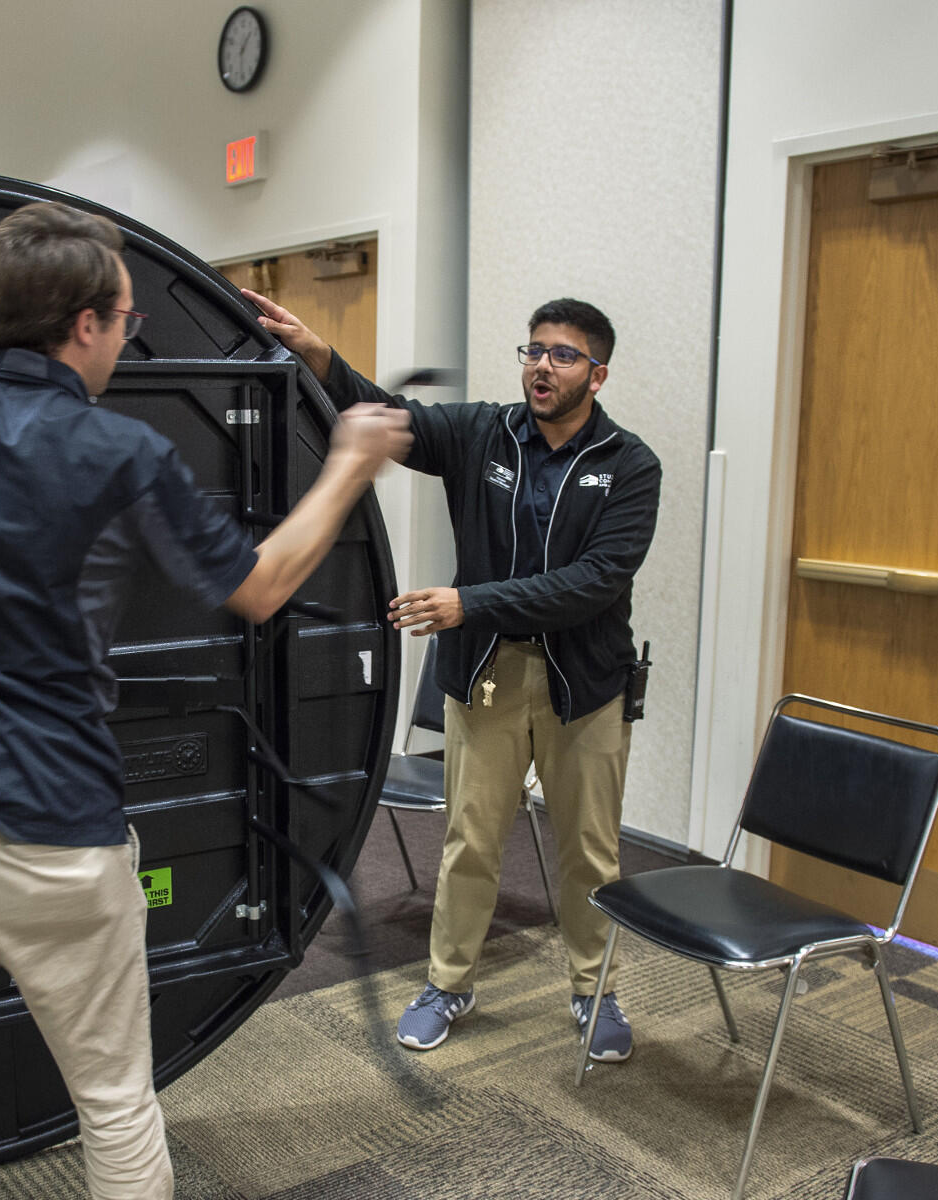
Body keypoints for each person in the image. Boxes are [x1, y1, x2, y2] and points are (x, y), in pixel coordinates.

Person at [0, 160, 411, 1200]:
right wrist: (348, 462)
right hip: (55, 843)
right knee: (115, 1102)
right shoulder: (124, 453)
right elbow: (258, 588)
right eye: (125, 315)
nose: (131, 328)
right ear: (83, 326)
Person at [243, 287, 660, 1065]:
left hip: (587, 689)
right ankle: (448, 982)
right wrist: (319, 356)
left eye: (563, 355)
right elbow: (386, 416)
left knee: (590, 853)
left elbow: (596, 581)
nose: (542, 366)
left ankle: (594, 990)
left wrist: (470, 602)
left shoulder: (631, 466)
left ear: (596, 376)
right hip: (488, 679)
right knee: (470, 841)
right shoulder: (482, 432)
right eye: (534, 349)